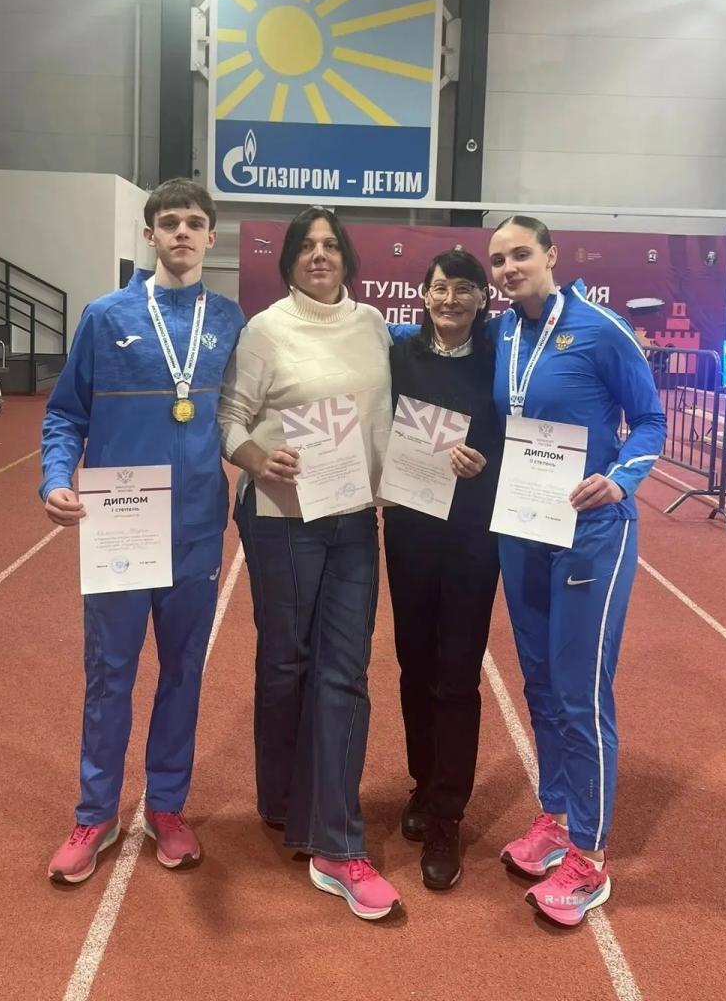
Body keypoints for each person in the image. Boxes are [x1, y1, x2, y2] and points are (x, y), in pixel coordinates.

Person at [40, 178, 244, 884]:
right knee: (110, 675)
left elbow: (253, 411)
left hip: (196, 530)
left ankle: (166, 806)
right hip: (121, 525)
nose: (182, 232)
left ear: (211, 237)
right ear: (150, 234)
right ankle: (95, 813)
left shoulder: (230, 320)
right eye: (169, 222)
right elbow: (65, 413)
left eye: (194, 222)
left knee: (183, 674)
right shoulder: (105, 316)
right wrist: (55, 478)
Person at [217, 207, 400, 922]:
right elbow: (229, 418)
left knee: (344, 670)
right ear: (289, 259)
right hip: (281, 520)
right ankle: (281, 796)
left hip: (352, 519)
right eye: (306, 246)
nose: (319, 255)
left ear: (346, 257)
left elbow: (398, 412)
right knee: (286, 663)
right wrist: (259, 457)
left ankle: (337, 842)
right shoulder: (265, 330)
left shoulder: (373, 325)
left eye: (330, 245)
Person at [489, 215, 666, 926]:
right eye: (498, 259)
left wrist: (620, 480)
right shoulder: (503, 332)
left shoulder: (600, 328)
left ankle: (589, 857)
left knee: (581, 691)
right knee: (539, 682)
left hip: (589, 531)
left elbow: (650, 420)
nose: (508, 268)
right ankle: (558, 815)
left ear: (551, 256)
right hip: (524, 525)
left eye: (520, 255)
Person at [383, 249, 503, 892]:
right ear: (423, 296)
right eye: (439, 288)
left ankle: (447, 815)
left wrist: (487, 462)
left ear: (482, 298)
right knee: (414, 665)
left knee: (457, 674)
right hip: (409, 530)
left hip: (473, 536)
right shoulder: (399, 356)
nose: (450, 299)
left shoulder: (498, 360)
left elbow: (518, 434)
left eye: (463, 289)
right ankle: (423, 783)